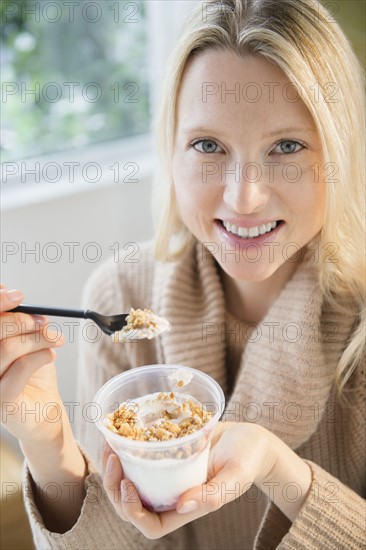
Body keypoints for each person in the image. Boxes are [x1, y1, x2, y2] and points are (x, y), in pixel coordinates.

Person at [1, 0, 365, 548]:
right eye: (208, 145)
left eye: (286, 146)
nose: (244, 198)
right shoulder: (123, 294)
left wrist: (278, 470)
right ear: (171, 152)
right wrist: (48, 444)